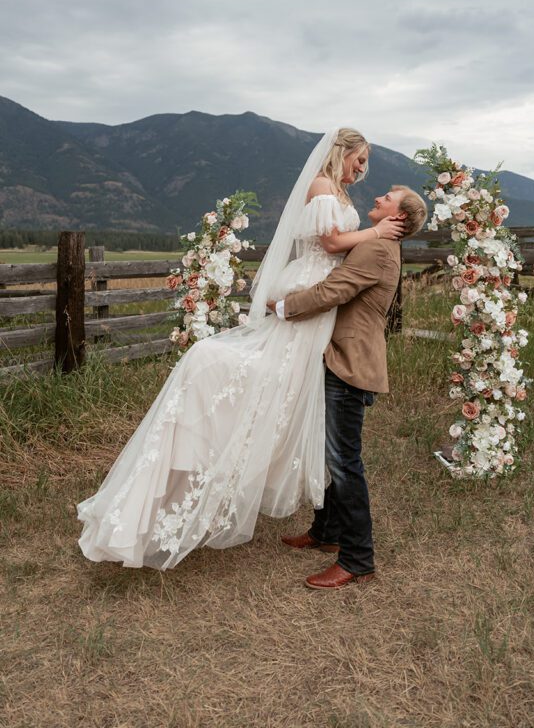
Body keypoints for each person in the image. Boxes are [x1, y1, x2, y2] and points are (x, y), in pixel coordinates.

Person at [76, 128, 406, 570]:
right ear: (341, 152)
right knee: (257, 385)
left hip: (319, 314)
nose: (363, 170)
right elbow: (329, 245)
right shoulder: (324, 187)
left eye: (367, 163)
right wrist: (374, 230)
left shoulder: (350, 206)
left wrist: (372, 232)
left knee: (311, 420)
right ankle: (212, 470)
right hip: (308, 302)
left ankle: (331, 532)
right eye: (360, 159)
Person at [269, 185, 428, 589]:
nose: (379, 198)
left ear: (400, 217)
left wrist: (284, 307)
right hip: (338, 356)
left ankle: (358, 558)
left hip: (350, 364)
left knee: (344, 461)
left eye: (389, 198)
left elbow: (334, 290)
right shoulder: (375, 244)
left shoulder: (376, 249)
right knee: (329, 452)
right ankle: (327, 532)